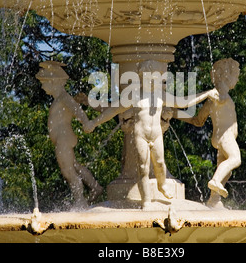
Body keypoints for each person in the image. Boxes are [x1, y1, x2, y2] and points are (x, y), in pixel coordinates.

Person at [84, 60, 217, 209]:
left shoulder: (161, 95)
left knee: (160, 163)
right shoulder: (134, 96)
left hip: (156, 135)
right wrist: (94, 123)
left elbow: (183, 102)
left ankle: (162, 184)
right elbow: (113, 111)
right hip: (140, 135)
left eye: (156, 78)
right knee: (143, 167)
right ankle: (145, 201)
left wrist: (207, 94)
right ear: (141, 77)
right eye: (150, 78)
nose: (153, 81)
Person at [36, 61, 103, 208]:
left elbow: (77, 110)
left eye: (44, 83)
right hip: (63, 139)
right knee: (74, 166)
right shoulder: (60, 98)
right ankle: (95, 187)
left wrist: (86, 122)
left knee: (68, 171)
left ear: (53, 82)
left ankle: (80, 200)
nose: (42, 86)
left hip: (64, 139)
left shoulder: (64, 97)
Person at [182, 58, 241, 207]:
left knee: (226, 171)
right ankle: (215, 181)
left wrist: (176, 114)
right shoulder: (221, 95)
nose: (237, 78)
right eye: (236, 75)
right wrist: (208, 94)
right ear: (227, 75)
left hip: (219, 138)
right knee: (235, 159)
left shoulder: (212, 100)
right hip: (226, 136)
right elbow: (219, 97)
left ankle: (214, 201)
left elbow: (198, 121)